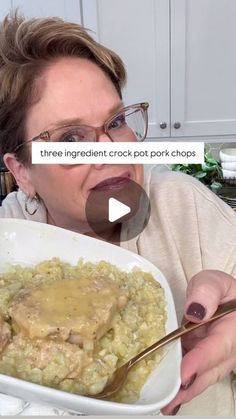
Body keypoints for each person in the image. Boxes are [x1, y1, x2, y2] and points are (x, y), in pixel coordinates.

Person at [0, 13, 236, 416]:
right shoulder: (10, 239)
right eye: (71, 138)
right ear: (22, 171)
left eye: (117, 121)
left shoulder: (184, 205)